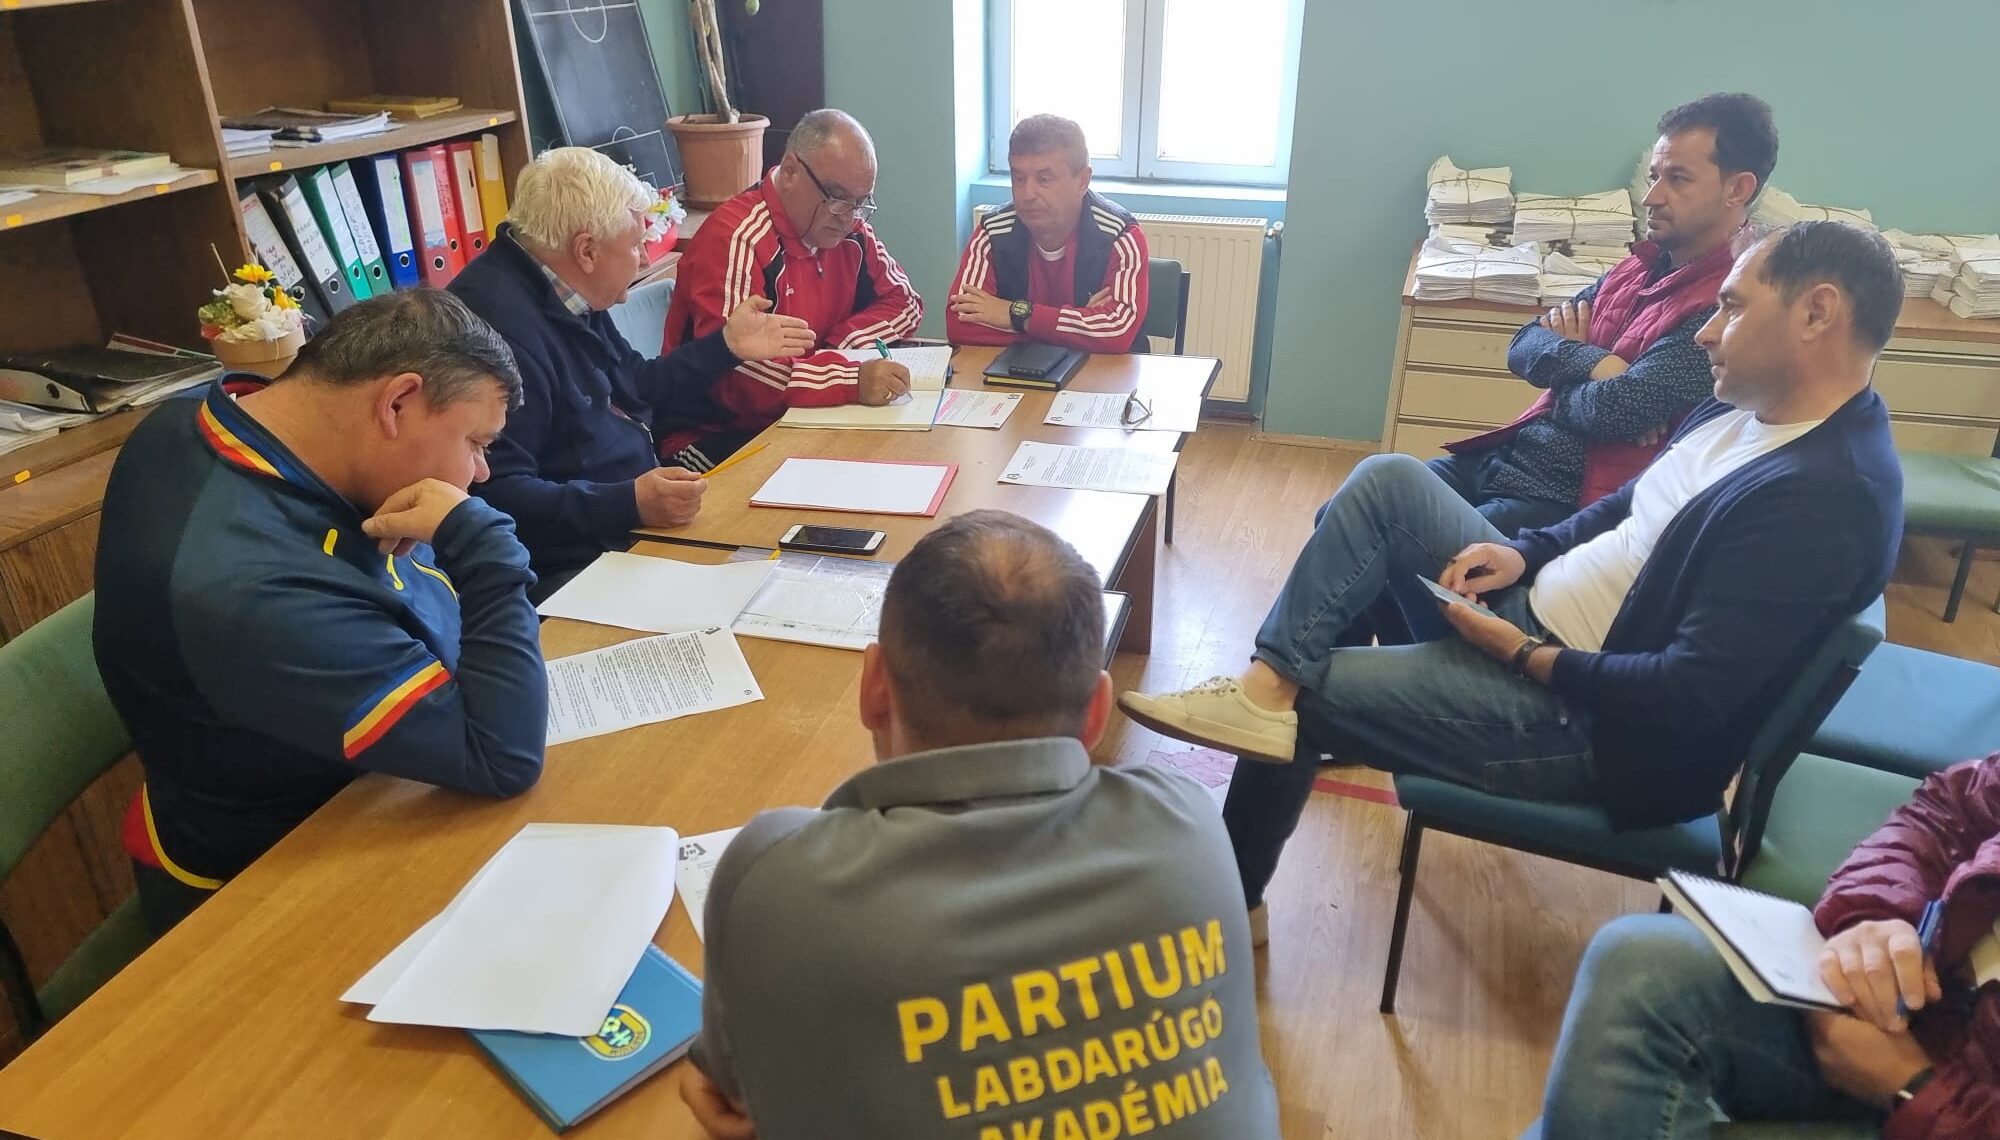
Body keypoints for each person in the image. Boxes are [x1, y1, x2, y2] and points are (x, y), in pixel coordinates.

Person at [1119, 221, 1905, 939]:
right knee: (1388, 482)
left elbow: (1686, 694)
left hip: (1585, 724)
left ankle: (1230, 906)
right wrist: (1528, 553)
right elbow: (1634, 503)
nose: (1705, 330)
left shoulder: (1825, 500)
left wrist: (1522, 654)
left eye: (1731, 307)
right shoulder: (1748, 408)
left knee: (1312, 692)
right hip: (1541, 616)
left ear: (1817, 313)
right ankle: (1266, 687)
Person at [679, 510, 1280, 1140]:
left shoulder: (776, 879)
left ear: (874, 688)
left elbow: (735, 1092)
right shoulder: (1192, 823)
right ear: (1097, 710)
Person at [95, 291, 550, 935]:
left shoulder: (204, 418)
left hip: (341, 778)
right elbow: (502, 758)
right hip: (270, 886)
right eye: (476, 442)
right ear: (396, 403)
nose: (480, 472)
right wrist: (484, 546)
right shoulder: (253, 590)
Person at [1533, 753, 2000, 1139]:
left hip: (1949, 1108)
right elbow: (1948, 810)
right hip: (1921, 1017)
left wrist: (1913, 1089)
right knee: (1641, 967)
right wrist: (1875, 916)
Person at [449, 146, 814, 589]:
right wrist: (626, 503)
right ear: (587, 250)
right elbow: (495, 494)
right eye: (636, 244)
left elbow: (635, 385)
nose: (645, 259)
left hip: (633, 520)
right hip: (577, 562)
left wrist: (725, 347)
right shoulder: (496, 330)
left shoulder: (567, 286)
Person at [1435, 93, 1779, 540]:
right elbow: (1523, 344)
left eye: (1678, 179)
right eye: (1654, 177)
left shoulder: (1727, 304)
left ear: (1738, 190)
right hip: (1511, 460)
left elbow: (1616, 411)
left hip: (1568, 506)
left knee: (1385, 493)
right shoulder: (1637, 266)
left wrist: (1570, 371)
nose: (1651, 197)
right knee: (1372, 496)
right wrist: (1602, 363)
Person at [659, 108, 924, 471]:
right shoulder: (736, 239)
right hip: (713, 434)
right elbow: (737, 375)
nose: (848, 217)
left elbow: (906, 302)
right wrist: (846, 378)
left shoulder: (848, 229)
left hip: (801, 414)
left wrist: (839, 348)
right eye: (837, 197)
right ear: (790, 171)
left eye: (861, 203)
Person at [946, 113, 1150, 354]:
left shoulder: (1119, 235)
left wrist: (1014, 314)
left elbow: (1115, 331)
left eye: (1044, 179)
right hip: (1015, 372)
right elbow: (959, 324)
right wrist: (1076, 326)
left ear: (1082, 181)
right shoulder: (992, 233)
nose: (1027, 194)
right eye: (1018, 178)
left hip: (1104, 374)